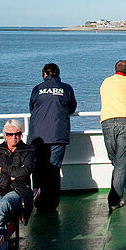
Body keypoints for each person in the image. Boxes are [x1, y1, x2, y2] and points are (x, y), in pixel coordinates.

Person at [29, 62, 77, 212]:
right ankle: (52, 203)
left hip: (38, 135)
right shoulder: (66, 88)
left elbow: (31, 107)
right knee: (54, 169)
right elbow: (71, 107)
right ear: (58, 73)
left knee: (38, 168)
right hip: (57, 134)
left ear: (44, 74)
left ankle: (38, 201)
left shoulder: (37, 89)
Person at [0, 120, 35, 231]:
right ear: (5, 135)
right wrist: (6, 177)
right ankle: (2, 245)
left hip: (19, 190)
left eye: (17, 134)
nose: (13, 137)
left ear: (21, 134)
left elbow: (25, 172)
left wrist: (3, 169)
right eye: (9, 134)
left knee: (4, 204)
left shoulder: (28, 151)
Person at [100, 59, 126, 212]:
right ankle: (117, 198)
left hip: (107, 122)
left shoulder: (106, 82)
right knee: (120, 162)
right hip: (125, 121)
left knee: (116, 160)